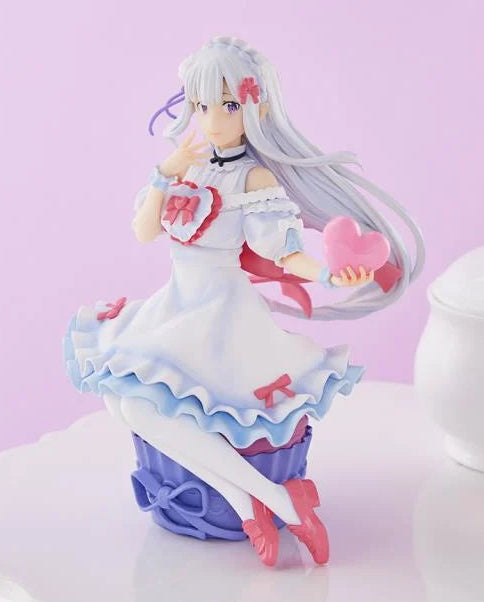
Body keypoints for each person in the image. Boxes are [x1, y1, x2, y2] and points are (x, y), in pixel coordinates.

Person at [64, 36, 424, 567]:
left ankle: (262, 503)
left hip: (221, 316)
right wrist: (164, 174)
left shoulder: (254, 178)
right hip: (176, 305)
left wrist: (330, 273)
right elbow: (144, 231)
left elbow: (284, 251)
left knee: (141, 404)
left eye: (229, 105)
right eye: (202, 105)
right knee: (122, 401)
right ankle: (271, 501)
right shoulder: (186, 166)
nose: (212, 120)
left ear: (254, 109)